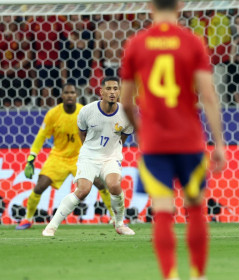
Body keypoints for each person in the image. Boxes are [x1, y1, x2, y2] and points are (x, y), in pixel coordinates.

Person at [120, 1, 226, 279]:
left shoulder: (136, 44)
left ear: (149, 5)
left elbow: (126, 102)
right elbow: (208, 96)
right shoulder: (192, 42)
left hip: (155, 143)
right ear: (179, 4)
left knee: (163, 211)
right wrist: (219, 143)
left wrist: (142, 129)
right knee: (194, 206)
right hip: (189, 140)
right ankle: (198, 275)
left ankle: (170, 276)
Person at [42, 77, 134, 237]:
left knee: (114, 186)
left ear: (119, 92)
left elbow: (122, 138)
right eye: (109, 89)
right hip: (89, 156)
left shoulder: (126, 114)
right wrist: (91, 150)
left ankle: (119, 224)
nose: (112, 92)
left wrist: (112, 150)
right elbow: (82, 134)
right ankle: (51, 226)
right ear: (101, 92)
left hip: (111, 157)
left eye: (115, 89)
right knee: (83, 190)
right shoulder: (87, 111)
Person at [16, 83, 114, 230]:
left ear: (76, 95)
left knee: (101, 184)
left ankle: (115, 217)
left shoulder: (85, 111)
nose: (70, 95)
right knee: (39, 186)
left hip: (81, 157)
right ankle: (27, 219)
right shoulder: (53, 114)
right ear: (62, 96)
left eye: (72, 93)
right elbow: (41, 137)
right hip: (58, 158)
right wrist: (31, 157)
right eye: (67, 93)